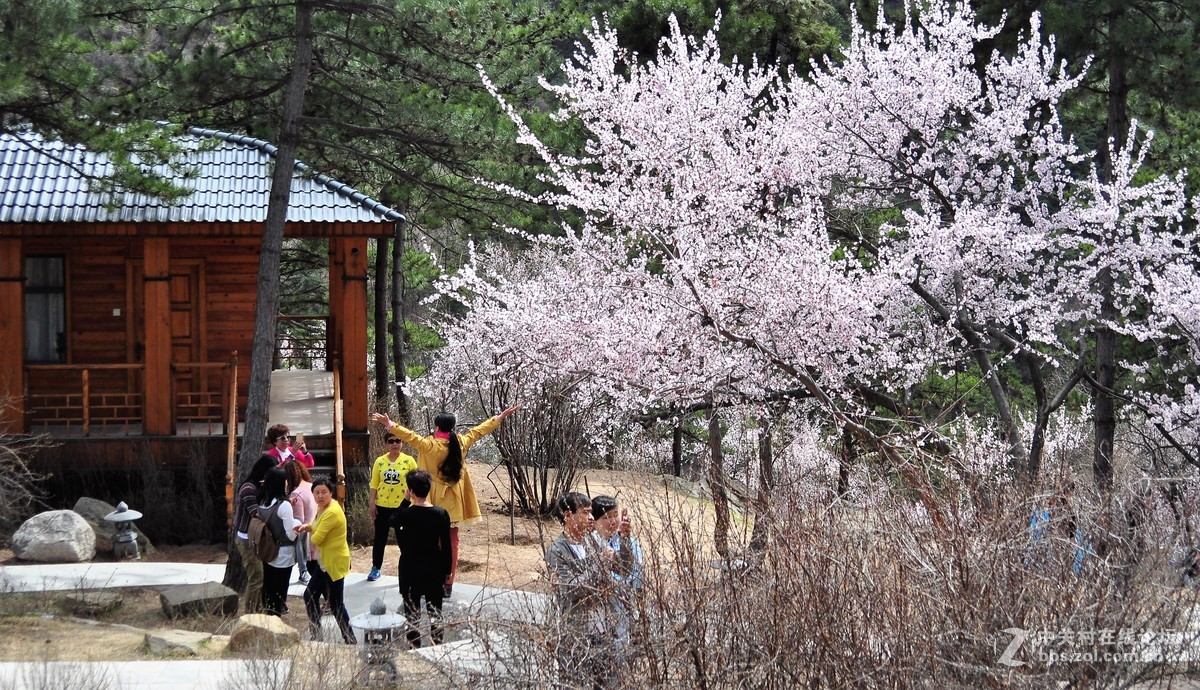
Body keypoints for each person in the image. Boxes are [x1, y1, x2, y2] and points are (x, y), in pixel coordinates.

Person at [371, 405, 520, 596]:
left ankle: (433, 580)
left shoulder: (430, 445)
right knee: (452, 542)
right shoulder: (461, 442)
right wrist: (497, 418)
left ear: (436, 427)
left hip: (434, 501)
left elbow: (410, 436)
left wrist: (390, 424)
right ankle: (448, 582)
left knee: (431, 543)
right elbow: (478, 432)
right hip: (455, 501)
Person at [546, 491, 621, 688]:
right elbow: (572, 590)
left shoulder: (593, 541)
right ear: (568, 516)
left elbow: (624, 569)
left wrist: (626, 540)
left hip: (604, 630)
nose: (590, 517)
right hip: (576, 635)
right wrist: (600, 564)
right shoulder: (557, 551)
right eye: (585, 512)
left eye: (591, 512)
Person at [394, 470, 452, 648]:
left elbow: (392, 520)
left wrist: (405, 500)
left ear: (410, 490)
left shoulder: (405, 514)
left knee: (412, 614)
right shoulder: (441, 514)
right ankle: (437, 646)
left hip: (410, 568)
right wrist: (448, 569)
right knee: (435, 612)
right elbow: (446, 545)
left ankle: (414, 648)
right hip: (434, 567)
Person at [590, 495, 644, 685]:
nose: (612, 521)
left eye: (615, 515)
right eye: (606, 517)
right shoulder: (590, 545)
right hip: (597, 621)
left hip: (622, 615)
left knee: (619, 670)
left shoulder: (629, 543)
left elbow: (636, 577)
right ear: (594, 521)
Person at [297, 476, 357, 644]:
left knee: (336, 603)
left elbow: (317, 539)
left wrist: (311, 533)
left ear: (331, 492)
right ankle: (316, 634)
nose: (320, 496)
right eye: (317, 492)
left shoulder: (332, 511)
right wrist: (306, 527)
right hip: (324, 563)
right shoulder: (323, 507)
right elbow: (316, 524)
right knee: (310, 595)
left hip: (334, 563)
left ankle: (350, 638)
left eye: (324, 492)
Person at [366, 433, 417, 582]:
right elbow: (374, 484)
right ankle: (376, 568)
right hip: (382, 505)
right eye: (391, 441)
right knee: (380, 538)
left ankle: (409, 569)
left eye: (398, 440)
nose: (395, 444)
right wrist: (372, 502)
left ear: (402, 442)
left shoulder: (409, 461)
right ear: (386, 444)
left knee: (404, 539)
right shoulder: (380, 462)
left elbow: (416, 481)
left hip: (402, 507)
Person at [235, 455, 277, 613]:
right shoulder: (248, 489)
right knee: (256, 578)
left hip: (255, 539)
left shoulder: (257, 487)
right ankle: (250, 614)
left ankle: (257, 612)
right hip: (246, 540)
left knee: (260, 578)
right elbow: (256, 514)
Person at [257, 466, 301, 616]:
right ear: (282, 483)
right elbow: (291, 534)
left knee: (269, 587)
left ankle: (268, 613)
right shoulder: (284, 505)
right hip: (283, 553)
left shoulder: (262, 501)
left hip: (267, 551)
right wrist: (296, 523)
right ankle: (276, 617)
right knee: (280, 591)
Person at [283, 459, 317, 585]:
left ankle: (303, 571)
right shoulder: (311, 486)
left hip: (306, 537)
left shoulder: (296, 494)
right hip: (316, 530)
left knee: (297, 536)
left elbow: (299, 521)